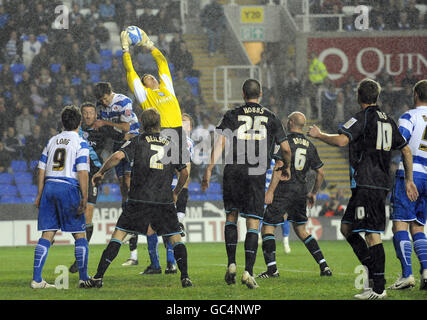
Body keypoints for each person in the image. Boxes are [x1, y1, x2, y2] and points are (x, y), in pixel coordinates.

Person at [308, 78, 419, 300]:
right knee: (347, 228)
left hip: (369, 183)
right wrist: (409, 179)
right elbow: (406, 150)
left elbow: (341, 141)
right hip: (374, 184)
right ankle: (373, 274)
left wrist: (319, 135)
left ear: (358, 97)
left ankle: (378, 288)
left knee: (372, 235)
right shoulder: (388, 120)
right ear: (377, 97)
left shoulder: (362, 118)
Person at [85, 108, 192, 288]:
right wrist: (176, 192)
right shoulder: (171, 144)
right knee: (175, 238)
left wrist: (101, 171)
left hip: (139, 199)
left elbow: (118, 156)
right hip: (163, 200)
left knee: (118, 235)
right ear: (159, 124)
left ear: (142, 123)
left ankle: (98, 277)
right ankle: (185, 277)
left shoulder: (138, 141)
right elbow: (184, 172)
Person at [201, 79, 292, 289]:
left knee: (231, 217)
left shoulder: (232, 115)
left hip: (233, 171)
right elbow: (286, 149)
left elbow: (220, 142)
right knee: (253, 222)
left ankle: (231, 263)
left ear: (243, 94)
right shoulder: (271, 117)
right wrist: (286, 166)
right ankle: (248, 272)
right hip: (256, 173)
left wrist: (209, 168)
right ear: (260, 94)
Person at [120, 28, 191, 269]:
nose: (148, 77)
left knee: (184, 178)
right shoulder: (144, 94)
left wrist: (150, 45)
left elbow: (161, 61)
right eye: (145, 78)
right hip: (158, 136)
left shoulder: (167, 87)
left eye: (151, 77)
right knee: (157, 191)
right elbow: (130, 71)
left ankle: (177, 215)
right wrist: (125, 50)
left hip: (177, 133)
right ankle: (158, 258)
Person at [259, 112, 331, 279]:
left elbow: (279, 165)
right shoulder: (310, 145)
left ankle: (272, 271)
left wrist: (270, 192)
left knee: (268, 227)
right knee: (301, 230)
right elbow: (320, 172)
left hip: (284, 189)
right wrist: (313, 192)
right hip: (301, 190)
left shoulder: (285, 142)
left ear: (290, 122)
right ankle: (324, 266)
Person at [31, 105, 90, 289]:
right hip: (68, 187)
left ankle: (37, 279)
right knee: (80, 234)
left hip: (49, 186)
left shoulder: (52, 141)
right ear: (79, 123)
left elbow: (41, 169)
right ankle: (83, 278)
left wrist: (40, 194)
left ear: (62, 122)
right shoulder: (80, 143)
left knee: (47, 233)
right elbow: (82, 172)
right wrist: (85, 197)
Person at [68, 102, 125, 274]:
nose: (87, 116)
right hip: (73, 176)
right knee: (71, 217)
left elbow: (123, 135)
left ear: (96, 115)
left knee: (87, 217)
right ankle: (80, 248)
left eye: (91, 113)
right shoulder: (74, 131)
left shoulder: (103, 130)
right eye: (84, 113)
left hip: (92, 177)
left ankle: (80, 258)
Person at [93, 82, 141, 266]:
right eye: (101, 101)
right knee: (123, 189)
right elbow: (110, 131)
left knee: (128, 183)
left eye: (105, 99)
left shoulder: (124, 101)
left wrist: (105, 123)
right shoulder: (100, 106)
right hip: (118, 144)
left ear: (109, 93)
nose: (104, 103)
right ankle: (133, 249)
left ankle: (132, 225)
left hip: (132, 141)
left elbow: (128, 128)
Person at [389, 79, 427, 291]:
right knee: (418, 227)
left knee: (400, 224)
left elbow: (400, 144)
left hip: (410, 176)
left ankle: (407, 275)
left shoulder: (409, 116)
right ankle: (426, 271)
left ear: (415, 95)